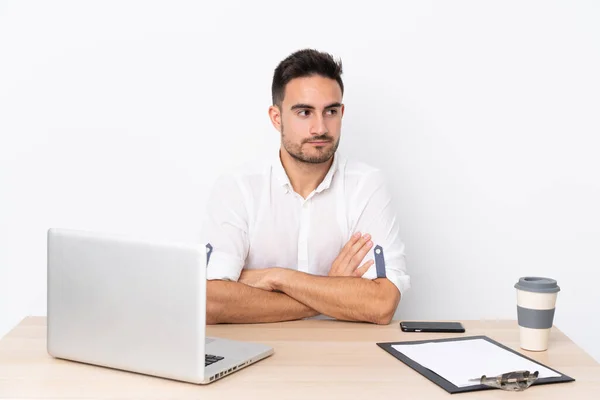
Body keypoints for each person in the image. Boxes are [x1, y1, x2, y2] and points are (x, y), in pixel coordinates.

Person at [202, 49, 410, 325]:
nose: (320, 128)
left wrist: (276, 277)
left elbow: (381, 304)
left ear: (341, 113)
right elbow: (210, 303)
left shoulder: (366, 186)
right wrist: (330, 289)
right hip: (254, 355)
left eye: (331, 111)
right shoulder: (238, 188)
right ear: (277, 118)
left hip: (342, 356)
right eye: (304, 112)